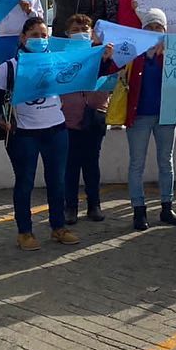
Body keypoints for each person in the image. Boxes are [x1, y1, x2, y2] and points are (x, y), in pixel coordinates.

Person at [0, 16, 109, 250]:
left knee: (57, 182)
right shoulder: (9, 67)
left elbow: (87, 76)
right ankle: (25, 232)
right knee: (24, 183)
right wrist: (1, 121)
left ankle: (58, 227)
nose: (40, 39)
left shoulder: (57, 61)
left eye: (44, 35)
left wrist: (105, 60)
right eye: (34, 35)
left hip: (56, 130)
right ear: (22, 38)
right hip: (24, 133)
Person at [118, 7, 176, 230]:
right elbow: (112, 68)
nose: (154, 31)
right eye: (150, 27)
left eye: (158, 27)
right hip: (139, 117)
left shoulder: (174, 54)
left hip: (166, 115)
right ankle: (139, 210)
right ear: (142, 30)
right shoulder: (132, 54)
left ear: (165, 30)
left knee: (166, 161)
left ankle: (167, 207)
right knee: (137, 163)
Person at [60, 14, 111, 226]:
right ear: (67, 34)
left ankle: (94, 205)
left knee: (91, 163)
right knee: (70, 165)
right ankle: (70, 207)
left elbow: (110, 77)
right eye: (75, 29)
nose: (80, 32)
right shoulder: (61, 55)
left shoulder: (101, 54)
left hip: (95, 115)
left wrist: (107, 60)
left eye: (85, 29)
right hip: (68, 117)